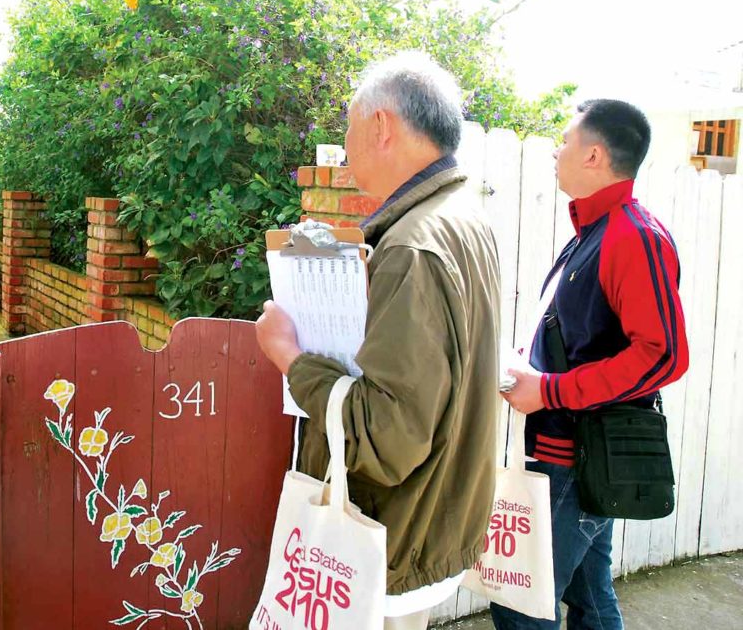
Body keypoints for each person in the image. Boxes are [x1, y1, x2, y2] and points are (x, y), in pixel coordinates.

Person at [256, 52, 502, 630]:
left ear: (382, 125)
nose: (345, 144)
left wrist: (288, 355)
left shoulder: (413, 247)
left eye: (349, 126)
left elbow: (386, 436)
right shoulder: (461, 215)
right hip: (435, 517)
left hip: (393, 534)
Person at [493, 99, 689, 629]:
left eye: (565, 141)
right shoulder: (595, 233)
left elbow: (663, 355)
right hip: (567, 453)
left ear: (595, 155)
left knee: (520, 605)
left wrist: (547, 390)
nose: (556, 151)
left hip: (575, 460)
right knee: (591, 600)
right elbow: (583, 338)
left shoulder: (634, 236)